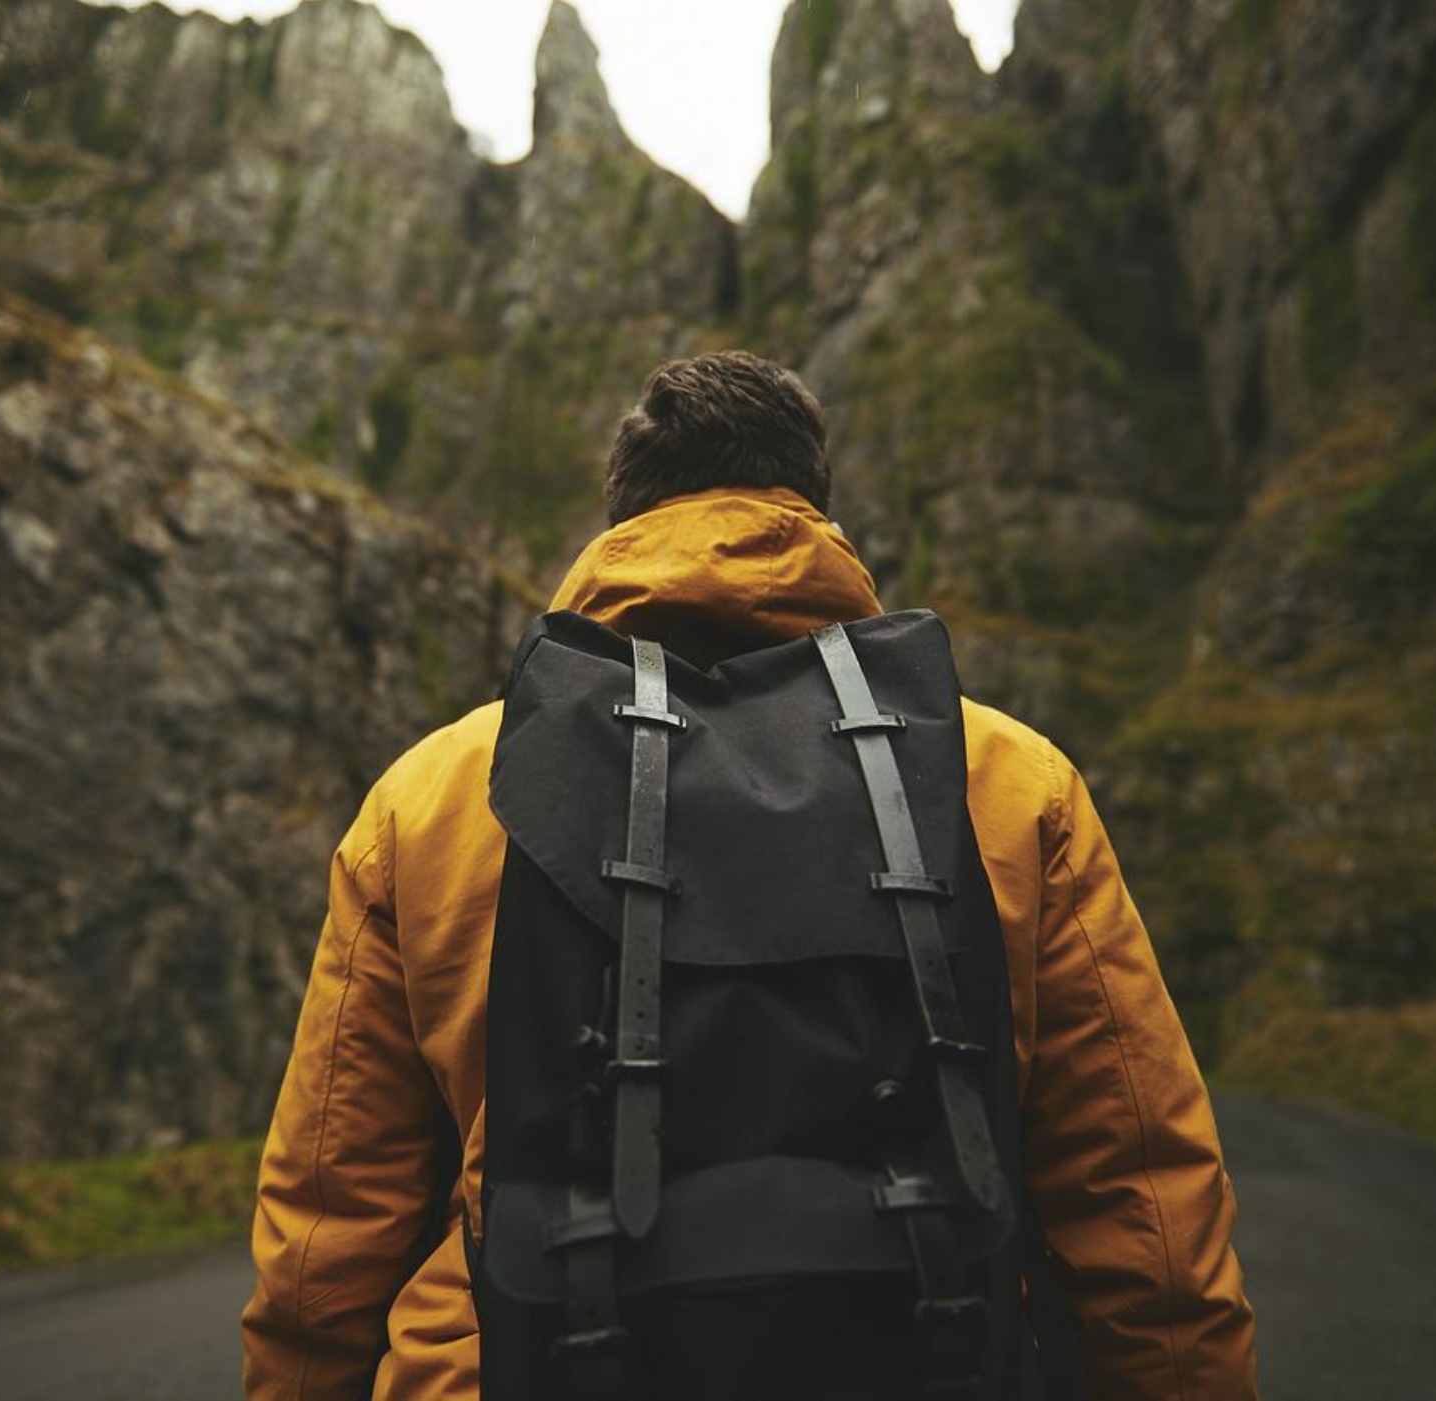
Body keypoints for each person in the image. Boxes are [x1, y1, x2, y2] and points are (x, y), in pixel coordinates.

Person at [241, 351, 1258, 1400]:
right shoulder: (1003, 777)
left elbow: (325, 1246)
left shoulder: (436, 797)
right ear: (813, 513)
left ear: (620, 522)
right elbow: (1144, 1212)